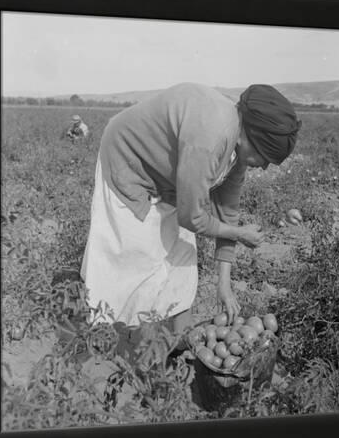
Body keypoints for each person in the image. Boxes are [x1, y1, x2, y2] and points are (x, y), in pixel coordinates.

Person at [80, 82, 300, 341]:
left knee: (181, 258)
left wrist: (224, 285)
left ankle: (180, 343)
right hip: (128, 162)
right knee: (138, 261)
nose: (263, 167)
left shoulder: (237, 148)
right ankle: (121, 344)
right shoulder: (210, 138)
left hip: (168, 178)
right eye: (264, 157)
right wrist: (238, 234)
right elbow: (191, 217)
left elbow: (227, 212)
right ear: (249, 135)